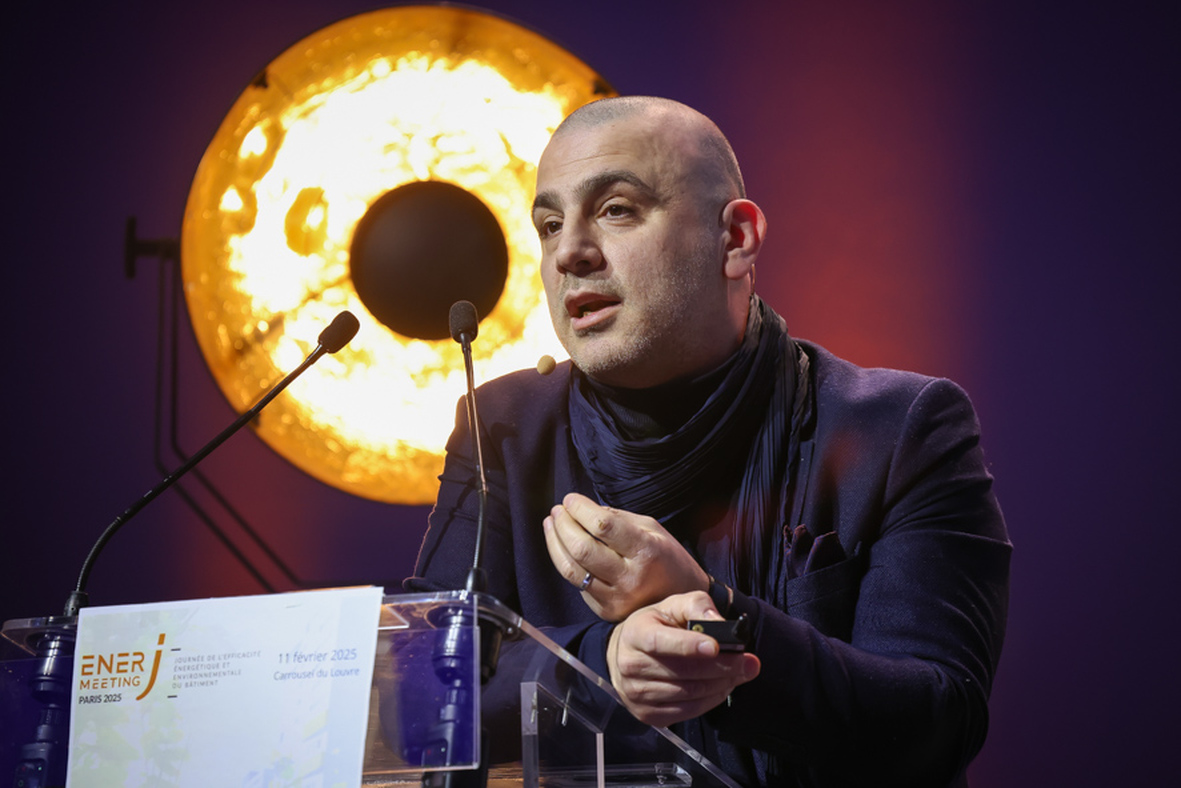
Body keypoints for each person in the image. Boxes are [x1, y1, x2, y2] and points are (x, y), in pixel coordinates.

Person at [406, 96, 1011, 787]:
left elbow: (939, 719)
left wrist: (712, 617)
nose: (568, 252)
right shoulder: (502, 428)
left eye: (616, 210)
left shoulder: (898, 427)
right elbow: (418, 689)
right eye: (549, 225)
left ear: (735, 239)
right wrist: (603, 661)